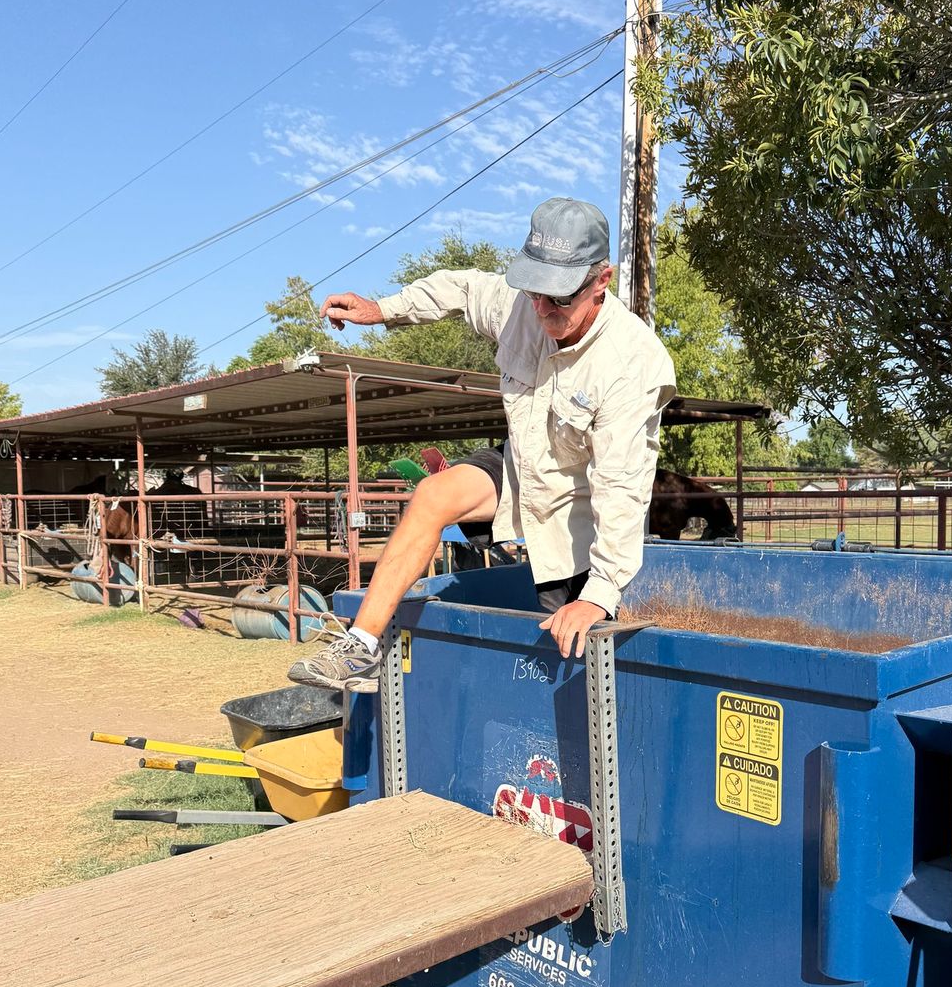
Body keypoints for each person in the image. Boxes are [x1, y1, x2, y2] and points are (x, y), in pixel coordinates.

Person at [288, 197, 676, 691]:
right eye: (534, 290)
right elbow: (461, 287)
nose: (540, 308)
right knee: (431, 496)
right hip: (522, 465)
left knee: (568, 651)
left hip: (578, 509)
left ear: (601, 281)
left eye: (558, 298)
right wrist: (383, 309)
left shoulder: (631, 361)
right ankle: (361, 646)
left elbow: (621, 488)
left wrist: (598, 594)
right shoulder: (524, 308)